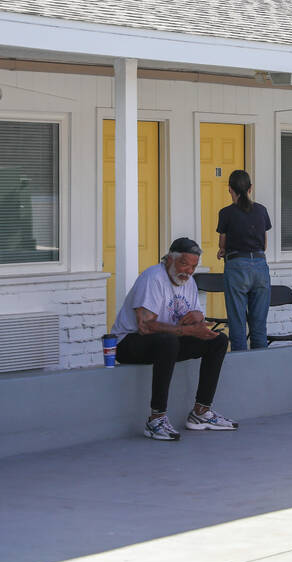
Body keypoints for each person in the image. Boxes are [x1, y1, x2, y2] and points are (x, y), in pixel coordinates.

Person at [112, 237, 237, 441]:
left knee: (218, 341)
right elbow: (145, 326)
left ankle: (201, 412)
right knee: (168, 341)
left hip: (165, 343)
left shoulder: (188, 282)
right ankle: (156, 419)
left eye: (193, 267)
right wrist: (188, 331)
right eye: (184, 264)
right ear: (169, 259)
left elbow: (190, 320)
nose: (188, 271)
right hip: (128, 343)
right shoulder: (153, 277)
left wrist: (198, 318)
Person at [215, 170, 272, 352]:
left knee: (237, 322)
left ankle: (240, 365)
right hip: (260, 266)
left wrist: (222, 250)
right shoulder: (261, 210)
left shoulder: (226, 213)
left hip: (236, 266)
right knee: (259, 323)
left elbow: (222, 243)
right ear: (250, 189)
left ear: (230, 190)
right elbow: (264, 245)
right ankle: (260, 366)